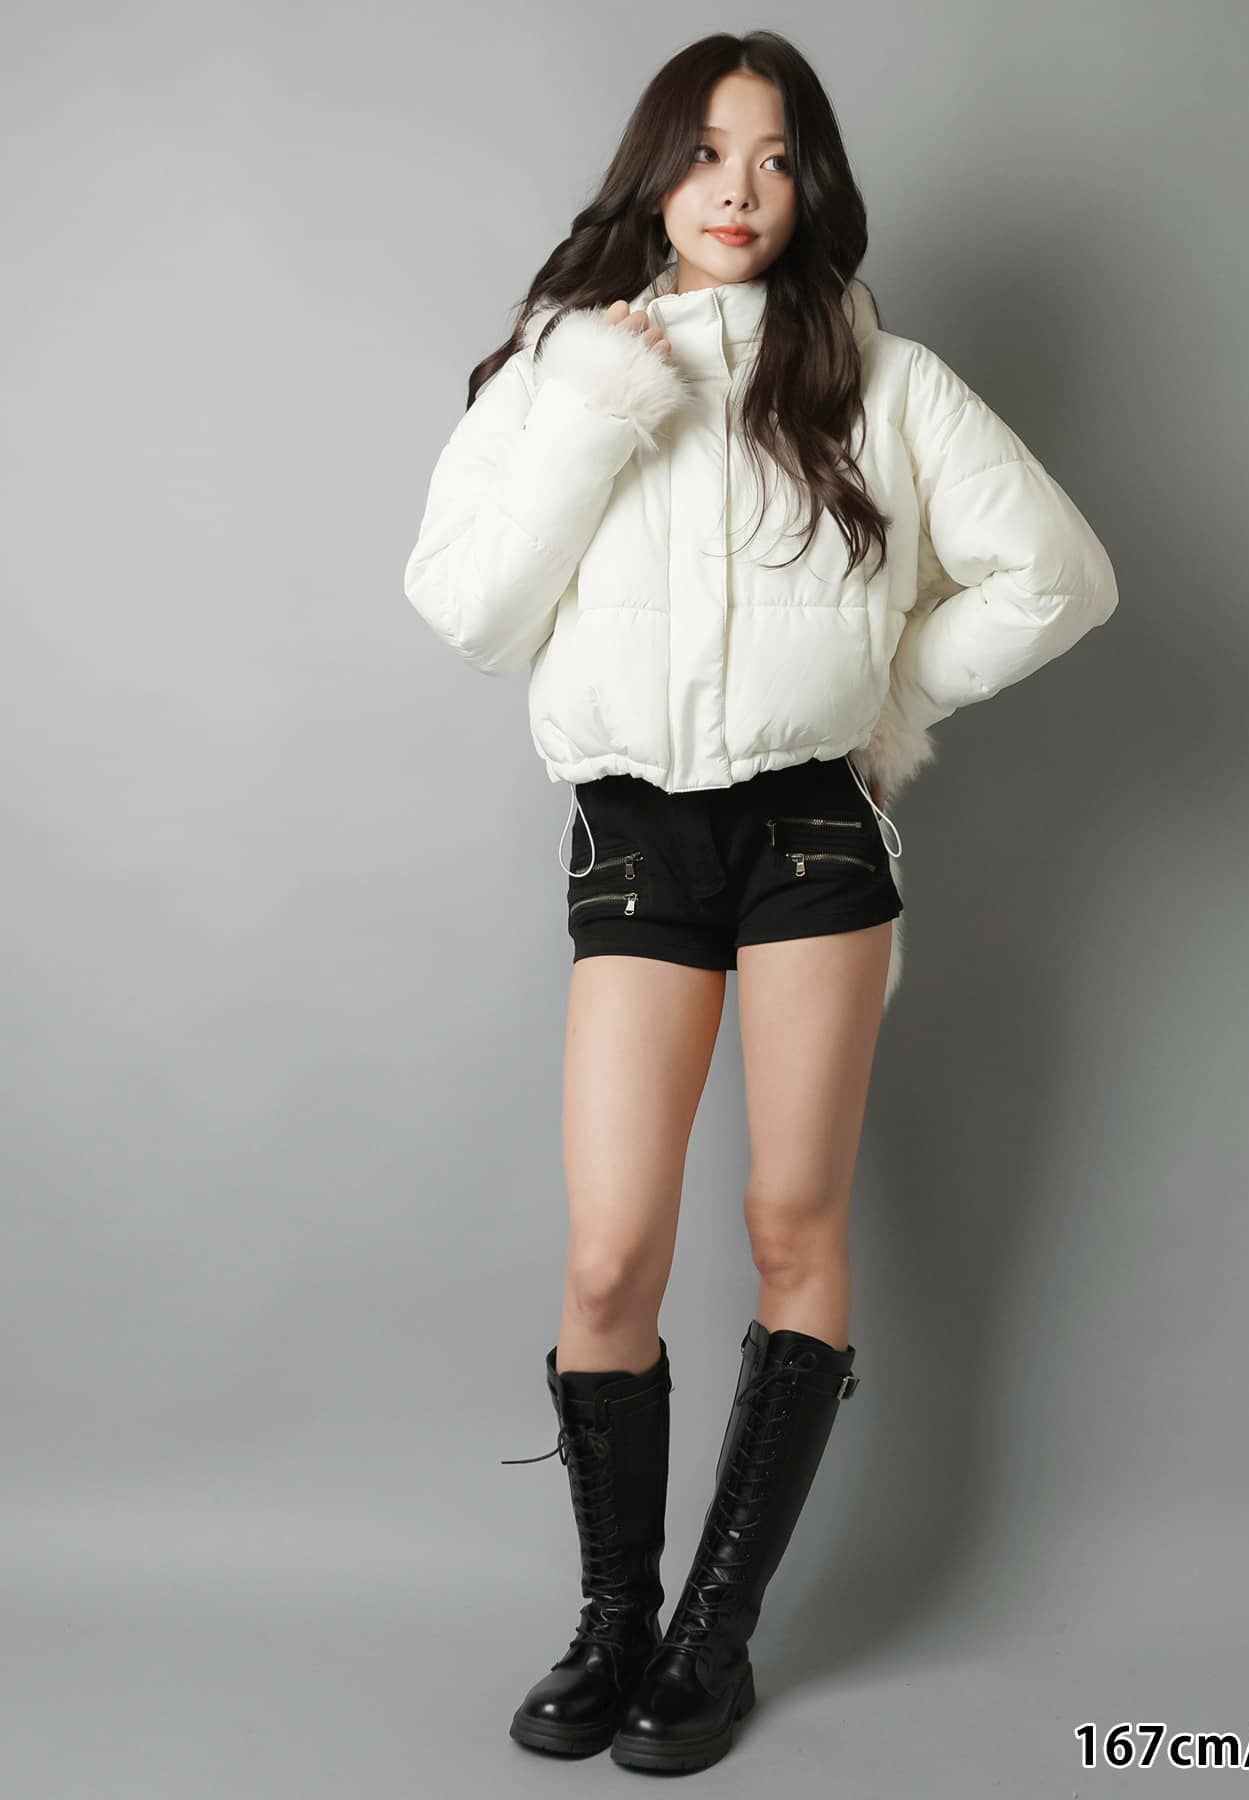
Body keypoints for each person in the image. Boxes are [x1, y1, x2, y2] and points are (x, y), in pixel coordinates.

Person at [402, 29, 1118, 1777]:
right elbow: (473, 614)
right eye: (709, 150)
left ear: (812, 185)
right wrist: (599, 414)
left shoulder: (879, 375)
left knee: (793, 1225)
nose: (739, 187)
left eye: (777, 156)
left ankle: (709, 1641)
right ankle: (611, 1622)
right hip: (635, 835)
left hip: (812, 837)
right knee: (610, 1254)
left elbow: (1061, 576)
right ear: (656, 173)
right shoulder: (559, 376)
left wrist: (886, 701)